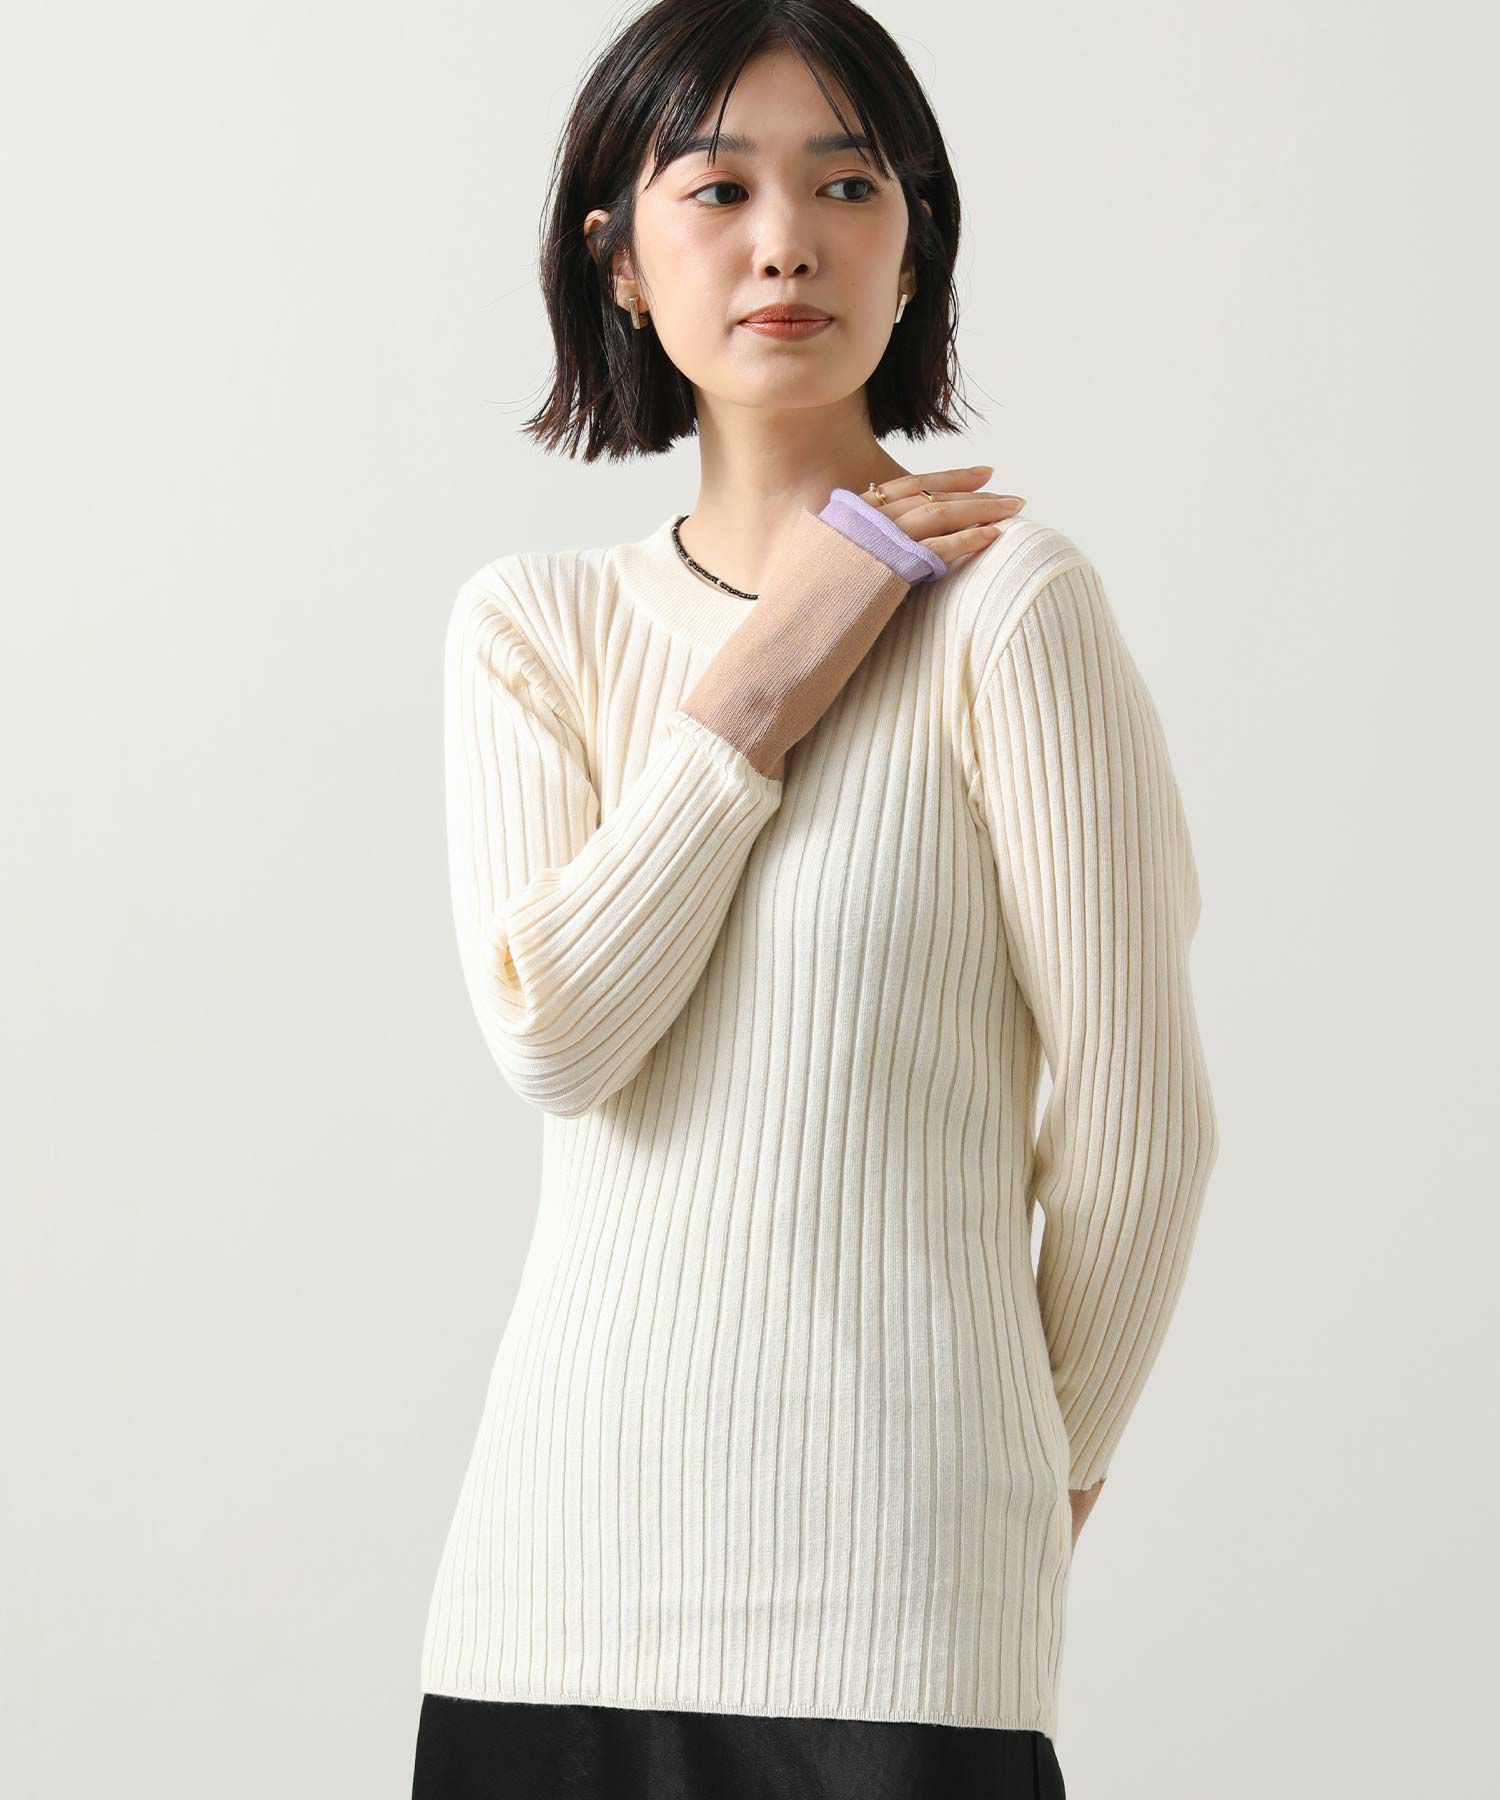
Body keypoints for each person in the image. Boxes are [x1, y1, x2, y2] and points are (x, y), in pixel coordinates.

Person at [411, 3, 1220, 1794]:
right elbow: (561, 1039)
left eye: (848, 185)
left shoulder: (1014, 610)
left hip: (901, 1604)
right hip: (548, 1585)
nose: (786, 240)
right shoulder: (535, 629)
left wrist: (1034, 1476)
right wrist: (774, 666)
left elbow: (1142, 1127)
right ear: (619, 263)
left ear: (911, 246)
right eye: (719, 188)